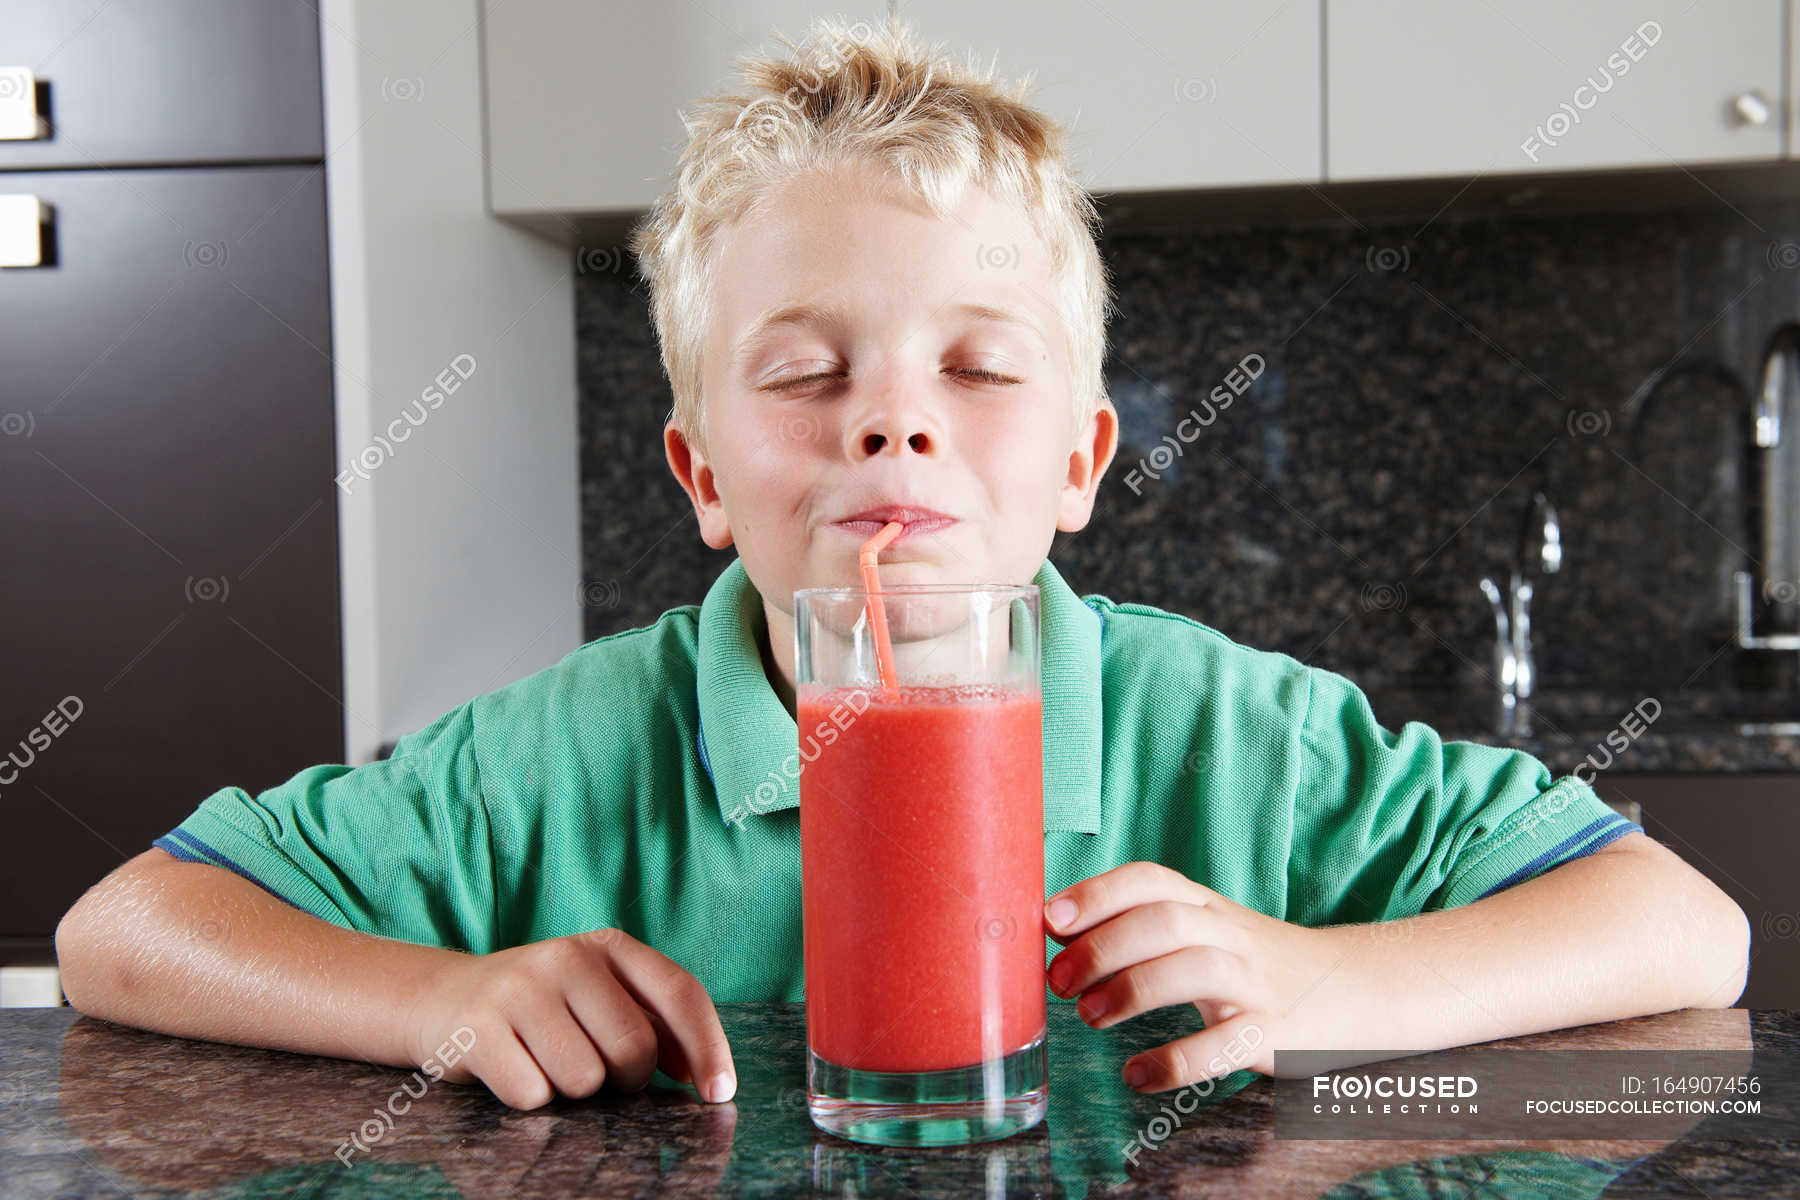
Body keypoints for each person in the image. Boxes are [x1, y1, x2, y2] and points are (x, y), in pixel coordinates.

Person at [55, 16, 1749, 1116]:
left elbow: (1683, 926)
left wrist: (1330, 980)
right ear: (704, 476)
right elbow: (128, 928)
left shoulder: (1240, 737)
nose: (890, 427)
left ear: (1083, 464)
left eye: (980, 369)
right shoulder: (554, 762)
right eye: (804, 374)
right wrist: (445, 993)